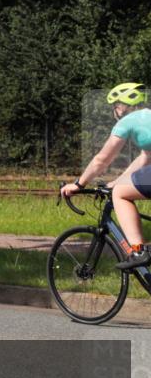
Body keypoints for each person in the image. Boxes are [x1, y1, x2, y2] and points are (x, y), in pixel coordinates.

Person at [60, 82, 151, 270]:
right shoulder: (147, 116)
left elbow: (102, 160)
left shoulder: (128, 121)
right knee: (120, 188)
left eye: (115, 106)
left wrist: (79, 184)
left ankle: (138, 251)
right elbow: (144, 159)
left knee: (120, 194)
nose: (114, 111)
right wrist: (116, 182)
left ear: (123, 106)